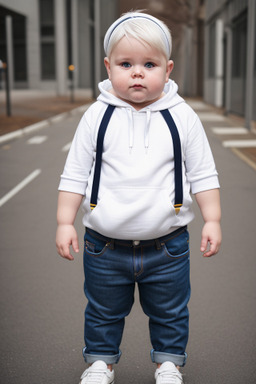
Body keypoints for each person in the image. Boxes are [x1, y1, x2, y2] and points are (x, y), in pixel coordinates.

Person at [56, 11, 221, 384]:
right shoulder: (96, 117)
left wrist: (212, 218)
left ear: (168, 68)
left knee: (170, 311)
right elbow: (75, 174)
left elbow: (202, 173)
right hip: (103, 245)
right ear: (107, 66)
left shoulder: (182, 117)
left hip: (168, 247)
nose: (137, 72)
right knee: (102, 311)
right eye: (125, 63)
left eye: (149, 64)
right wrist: (65, 222)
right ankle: (101, 362)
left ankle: (168, 363)